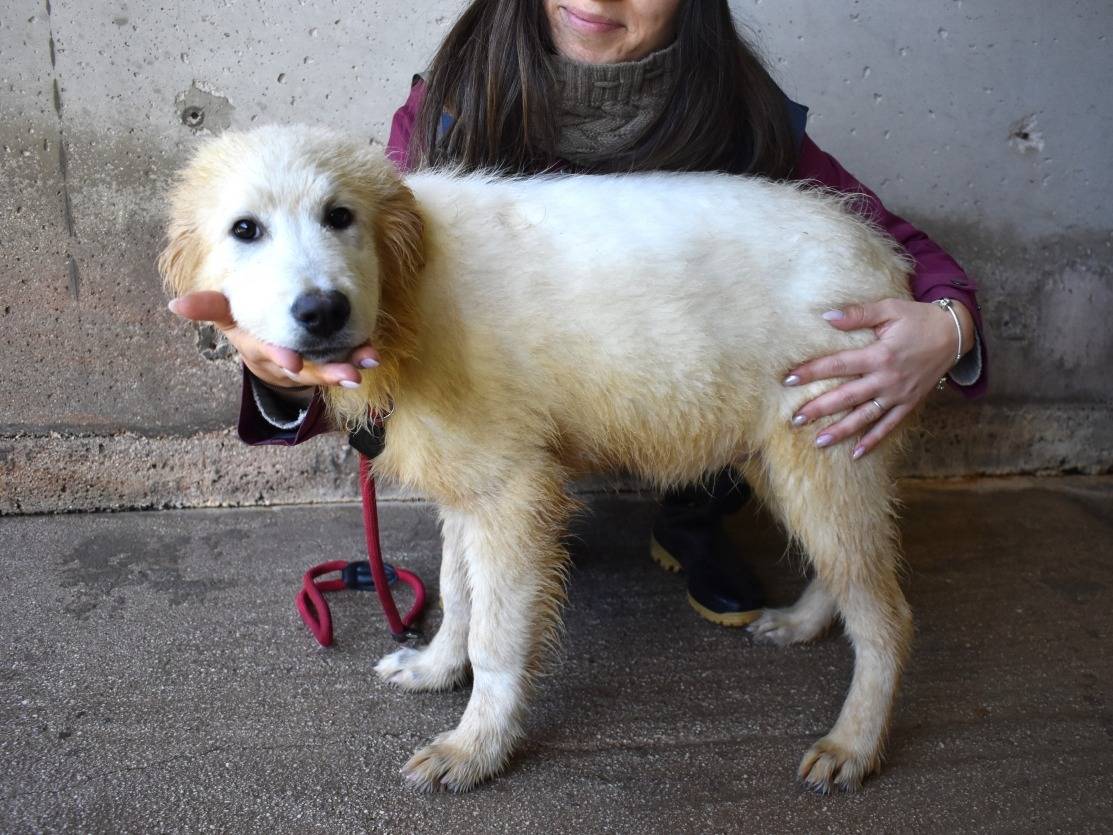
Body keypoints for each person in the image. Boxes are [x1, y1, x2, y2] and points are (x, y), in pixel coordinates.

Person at [170, 0, 986, 628]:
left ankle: (693, 519)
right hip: (526, 405)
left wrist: (945, 328)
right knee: (490, 455)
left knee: (710, 405)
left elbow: (887, 239)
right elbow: (361, 297)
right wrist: (278, 368)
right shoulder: (446, 112)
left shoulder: (743, 117)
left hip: (687, 390)